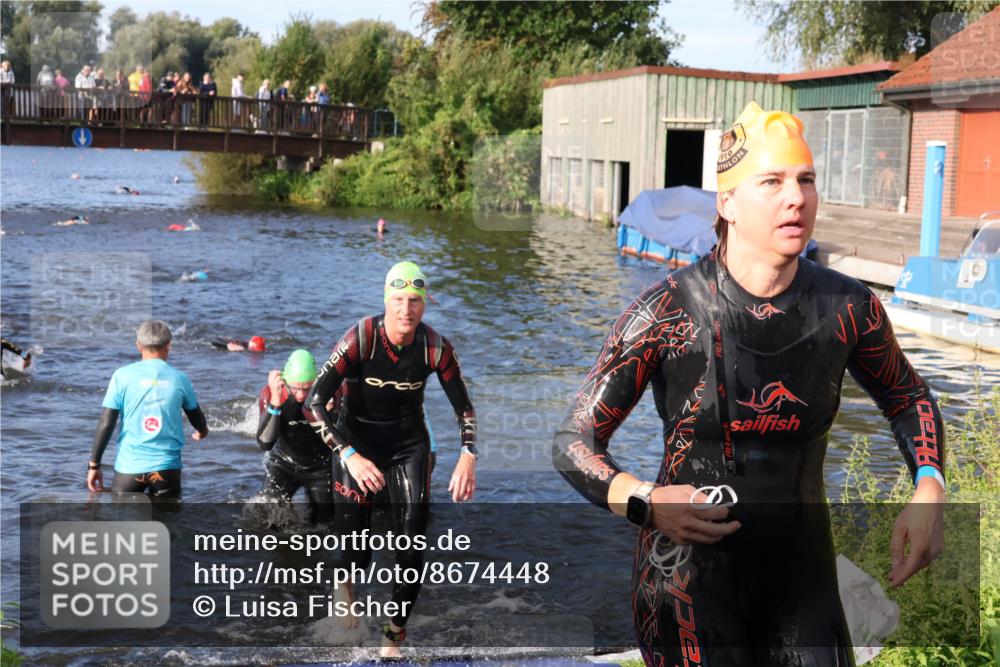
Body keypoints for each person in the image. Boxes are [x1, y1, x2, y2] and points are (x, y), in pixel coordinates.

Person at [553, 101, 946, 667]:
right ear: (728, 202)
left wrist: (929, 485)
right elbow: (574, 440)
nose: (796, 197)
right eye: (772, 181)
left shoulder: (846, 307)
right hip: (685, 577)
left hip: (801, 576)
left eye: (806, 179)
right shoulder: (667, 311)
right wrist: (643, 500)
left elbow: (906, 396)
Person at [306, 261, 478, 657]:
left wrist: (467, 454)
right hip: (355, 444)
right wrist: (348, 454)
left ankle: (392, 639)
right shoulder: (360, 338)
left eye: (414, 301)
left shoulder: (435, 347)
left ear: (424, 305)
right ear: (387, 301)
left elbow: (464, 409)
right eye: (398, 300)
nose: (406, 309)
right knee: (357, 551)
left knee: (413, 546)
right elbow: (316, 402)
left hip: (407, 446)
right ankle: (344, 583)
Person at [88, 320, 209, 499]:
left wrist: (94, 465)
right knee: (168, 524)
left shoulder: (122, 376)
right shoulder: (180, 378)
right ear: (169, 345)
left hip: (129, 468)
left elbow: (106, 423)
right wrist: (202, 431)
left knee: (123, 524)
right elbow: (195, 415)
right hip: (166, 469)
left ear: (138, 345)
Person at [256, 350, 334, 525]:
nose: (300, 395)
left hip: (320, 468)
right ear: (285, 382)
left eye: (307, 388)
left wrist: (331, 415)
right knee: (267, 517)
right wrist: (275, 403)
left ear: (316, 381)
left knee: (324, 524)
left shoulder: (329, 393)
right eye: (295, 388)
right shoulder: (272, 393)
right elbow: (265, 443)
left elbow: (345, 439)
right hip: (283, 463)